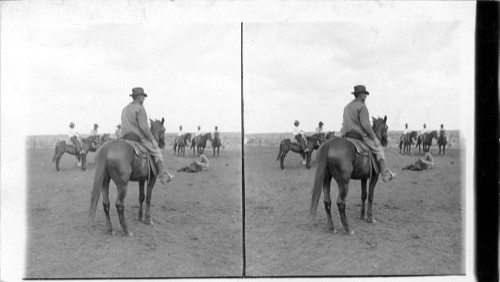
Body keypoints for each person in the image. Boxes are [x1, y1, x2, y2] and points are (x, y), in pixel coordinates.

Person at [340, 85, 395, 182]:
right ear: (361, 95)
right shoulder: (362, 106)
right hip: (359, 136)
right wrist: (374, 138)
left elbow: (344, 123)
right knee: (379, 150)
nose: (366, 97)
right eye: (365, 94)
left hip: (346, 136)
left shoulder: (346, 107)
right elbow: (366, 125)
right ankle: (385, 174)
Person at [121, 87, 172, 184]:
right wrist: (152, 140)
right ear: (139, 97)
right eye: (143, 97)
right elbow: (144, 128)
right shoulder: (140, 109)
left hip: (124, 138)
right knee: (157, 151)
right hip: (137, 138)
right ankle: (162, 175)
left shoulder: (125, 109)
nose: (144, 99)